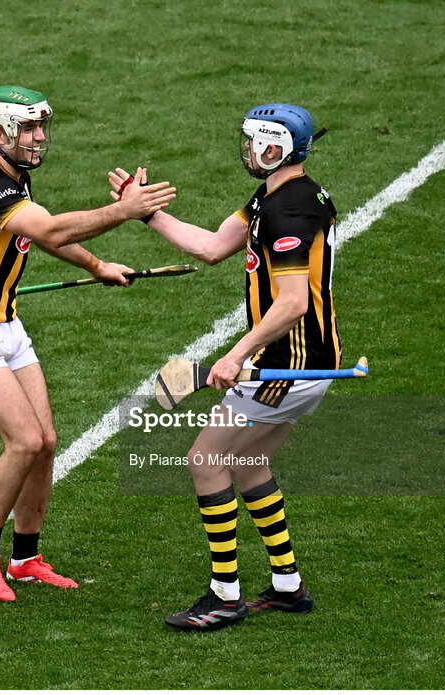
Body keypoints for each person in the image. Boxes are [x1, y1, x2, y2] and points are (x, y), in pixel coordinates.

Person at [0, 85, 175, 602]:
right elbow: (51, 230)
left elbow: (44, 236)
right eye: (28, 129)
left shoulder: (15, 178)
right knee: (24, 441)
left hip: (6, 325)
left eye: (42, 127)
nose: (39, 137)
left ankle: (25, 558)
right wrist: (125, 212)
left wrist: (98, 266)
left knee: (47, 444)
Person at [109, 103, 339, 631]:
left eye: (257, 143)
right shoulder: (279, 195)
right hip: (306, 359)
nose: (249, 151)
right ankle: (287, 585)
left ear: (277, 147)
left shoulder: (287, 211)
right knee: (249, 463)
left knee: (205, 460)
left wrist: (236, 353)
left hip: (286, 364)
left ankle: (224, 595)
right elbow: (212, 247)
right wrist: (144, 212)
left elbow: (291, 304)